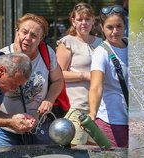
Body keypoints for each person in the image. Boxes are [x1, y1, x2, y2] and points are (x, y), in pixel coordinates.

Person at [0, 13, 63, 147]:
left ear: (41, 39)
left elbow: (58, 81)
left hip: (39, 127)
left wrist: (49, 100)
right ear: (17, 32)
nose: (27, 38)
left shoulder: (47, 53)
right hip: (6, 131)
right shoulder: (2, 56)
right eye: (24, 32)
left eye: (34, 35)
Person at [56, 2, 102, 145]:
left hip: (99, 111)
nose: (84, 23)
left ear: (93, 21)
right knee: (76, 149)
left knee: (99, 151)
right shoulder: (67, 42)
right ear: (73, 21)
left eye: (87, 19)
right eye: (80, 19)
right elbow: (58, 76)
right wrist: (85, 75)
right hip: (77, 108)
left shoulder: (101, 43)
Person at [88, 5, 128, 147]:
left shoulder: (131, 45)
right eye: (110, 27)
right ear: (102, 27)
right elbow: (96, 86)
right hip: (112, 123)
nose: (115, 32)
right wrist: (92, 113)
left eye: (119, 26)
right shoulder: (101, 52)